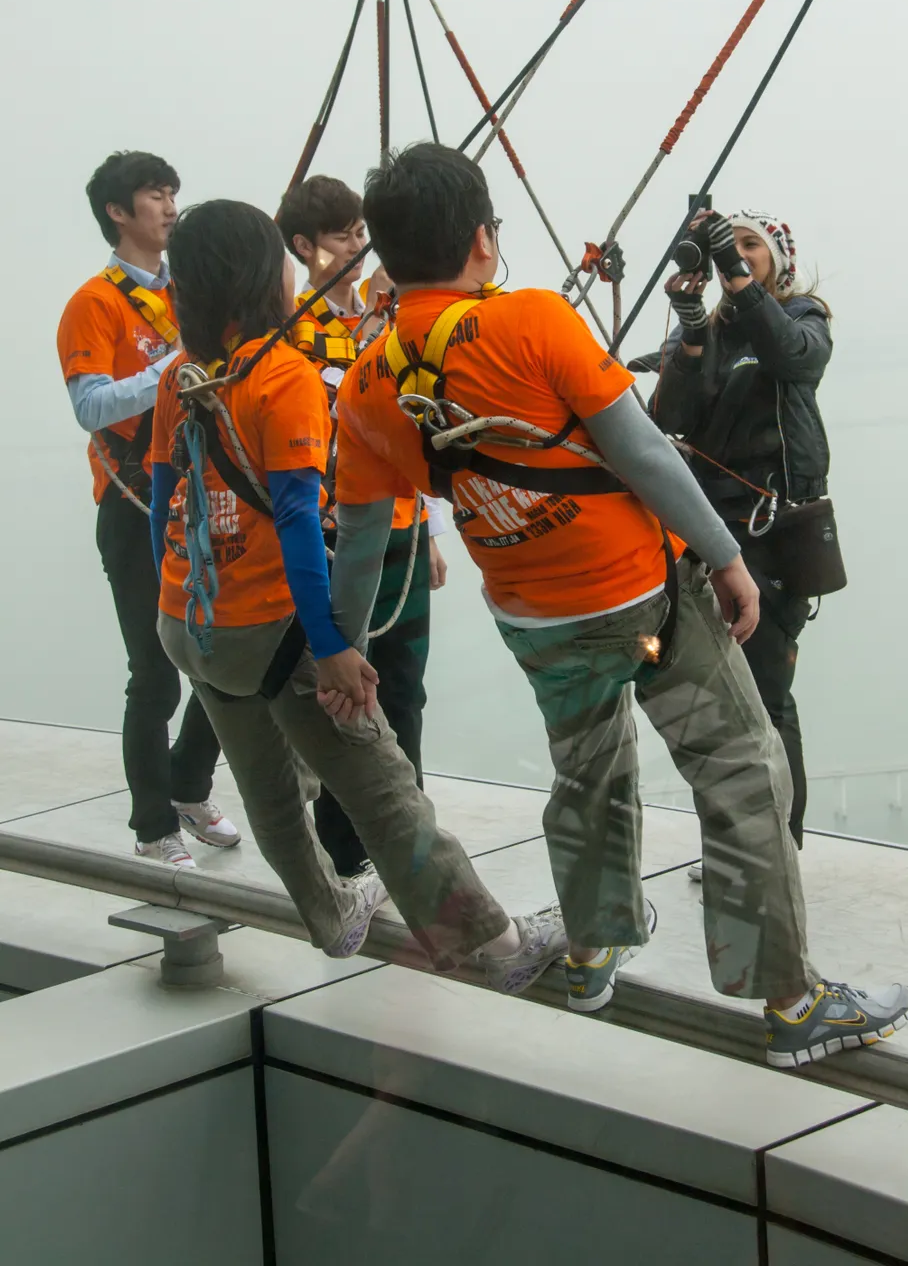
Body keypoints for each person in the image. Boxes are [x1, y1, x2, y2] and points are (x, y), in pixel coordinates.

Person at [329, 142, 908, 1068]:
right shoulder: (532, 322)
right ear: (484, 239)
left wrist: (344, 646)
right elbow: (643, 453)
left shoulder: (367, 383)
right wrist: (727, 557)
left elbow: (362, 538)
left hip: (531, 617)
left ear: (389, 256)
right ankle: (792, 1006)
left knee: (588, 772)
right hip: (643, 602)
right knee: (739, 767)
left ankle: (593, 955)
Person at [149, 196, 566, 987]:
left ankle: (327, 911)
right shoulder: (283, 378)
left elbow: (163, 498)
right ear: (256, 273)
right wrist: (335, 645)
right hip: (276, 627)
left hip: (192, 621)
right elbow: (302, 526)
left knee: (267, 789)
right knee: (384, 790)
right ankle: (494, 946)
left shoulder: (182, 374)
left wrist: (172, 608)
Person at [56, 151, 238, 868]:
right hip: (133, 505)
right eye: (153, 195)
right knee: (155, 670)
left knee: (226, 657)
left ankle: (190, 785)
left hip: (201, 496)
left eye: (171, 193)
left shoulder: (190, 290)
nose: (168, 206)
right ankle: (153, 822)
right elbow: (92, 405)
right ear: (117, 212)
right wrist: (172, 365)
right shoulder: (94, 304)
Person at [646, 209, 832, 855]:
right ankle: (733, 840)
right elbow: (670, 416)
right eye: (733, 245)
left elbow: (791, 358)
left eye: (752, 246)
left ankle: (778, 842)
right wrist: (693, 333)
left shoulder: (804, 318)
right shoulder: (715, 331)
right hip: (707, 528)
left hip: (771, 529)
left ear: (778, 259)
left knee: (766, 695)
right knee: (716, 698)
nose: (740, 255)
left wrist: (732, 275)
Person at [279, 175, 448, 876]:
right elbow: (335, 399)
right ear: (304, 247)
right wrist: (377, 326)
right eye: (344, 235)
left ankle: (405, 829)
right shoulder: (293, 326)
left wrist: (433, 528)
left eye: (360, 232)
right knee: (348, 690)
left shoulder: (389, 314)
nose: (358, 246)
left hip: (401, 521)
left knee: (407, 686)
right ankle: (345, 848)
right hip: (333, 529)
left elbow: (413, 418)